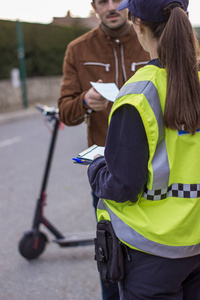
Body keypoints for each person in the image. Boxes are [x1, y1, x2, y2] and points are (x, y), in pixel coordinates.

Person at [87, 0, 200, 299]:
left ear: (138, 25)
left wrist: (96, 167)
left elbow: (123, 185)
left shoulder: (139, 94)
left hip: (151, 252)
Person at [58, 1, 149, 299]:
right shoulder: (78, 48)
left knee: (156, 261)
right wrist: (84, 101)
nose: (110, 7)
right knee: (111, 261)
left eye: (116, 0)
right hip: (106, 173)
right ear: (93, 6)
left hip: (158, 166)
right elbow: (65, 111)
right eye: (102, 1)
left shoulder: (151, 35)